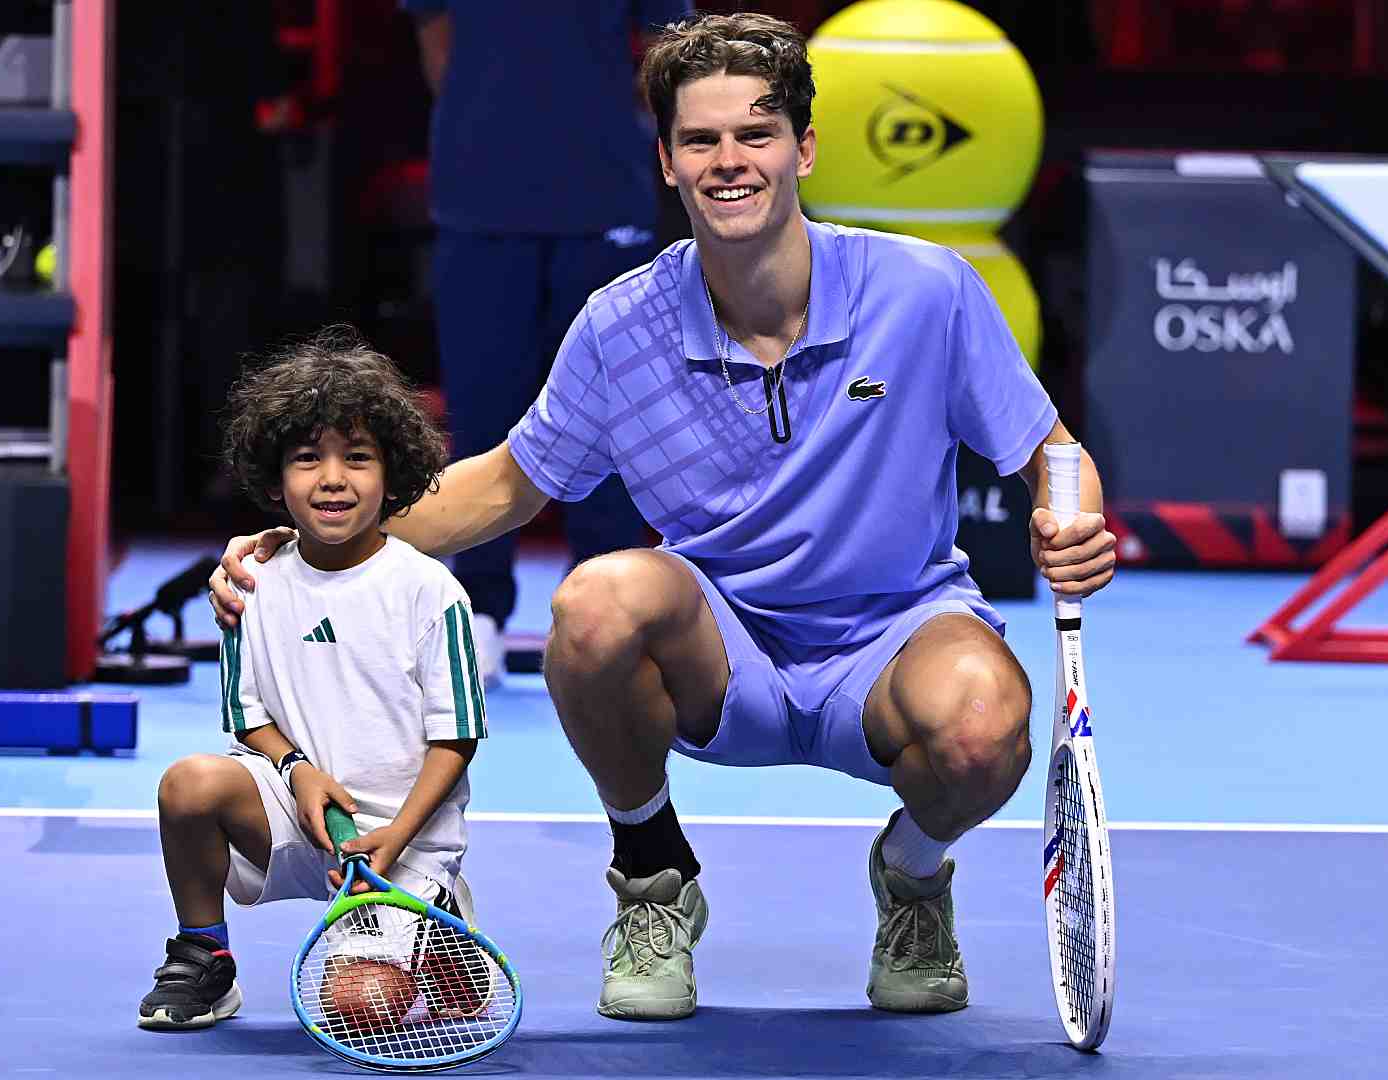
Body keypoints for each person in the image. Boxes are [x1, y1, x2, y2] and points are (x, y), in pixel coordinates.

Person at [209, 13, 1116, 1022]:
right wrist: (309, 546)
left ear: (803, 149)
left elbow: (1054, 450)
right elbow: (507, 485)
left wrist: (1069, 517)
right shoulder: (622, 325)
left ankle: (911, 876)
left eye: (756, 134)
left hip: (892, 635)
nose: (730, 161)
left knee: (987, 727)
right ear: (668, 164)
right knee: (594, 601)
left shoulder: (926, 291)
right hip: (720, 648)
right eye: (700, 141)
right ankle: (651, 876)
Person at [140, 327, 489, 1029]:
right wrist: (295, 768)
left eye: (357, 458)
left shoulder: (430, 592)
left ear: (394, 473)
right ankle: (205, 956)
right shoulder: (252, 583)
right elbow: (247, 715)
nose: (333, 477)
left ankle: (439, 920)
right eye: (307, 459)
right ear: (276, 477)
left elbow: (456, 741)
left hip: (400, 840)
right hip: (296, 814)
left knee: (360, 1010)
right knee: (188, 784)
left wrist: (397, 841)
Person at [402, 0, 692, 686]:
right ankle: (478, 614)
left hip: (603, 196)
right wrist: (505, 130)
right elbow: (438, 51)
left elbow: (666, 55)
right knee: (483, 406)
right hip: (479, 199)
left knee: (615, 414)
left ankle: (607, 606)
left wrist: (591, 129)